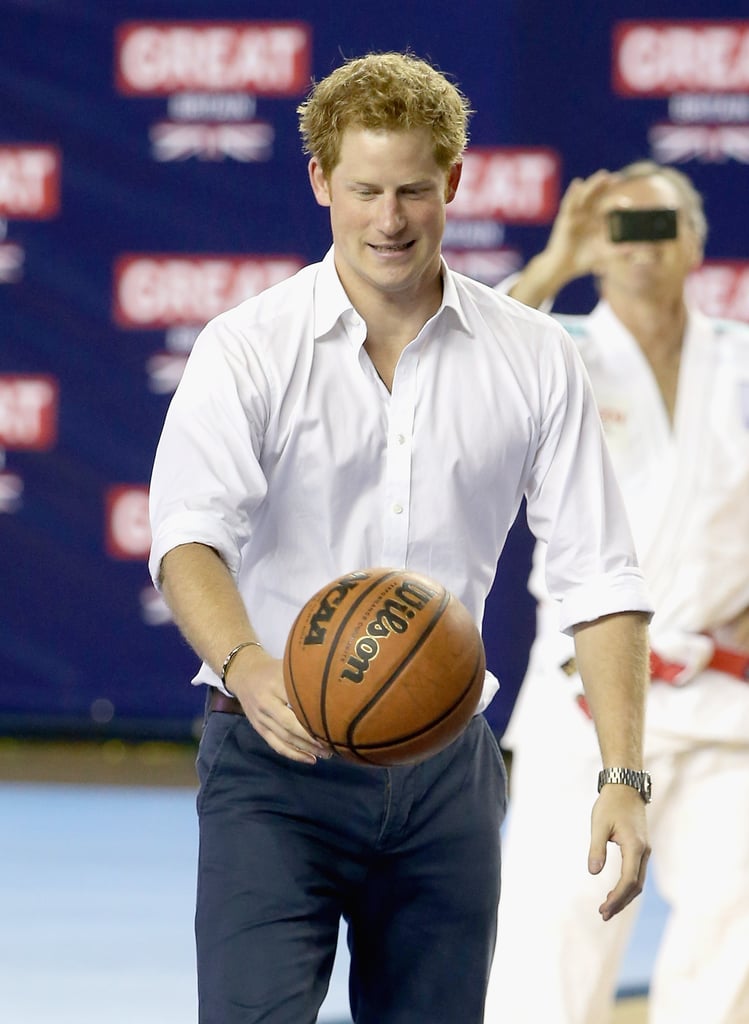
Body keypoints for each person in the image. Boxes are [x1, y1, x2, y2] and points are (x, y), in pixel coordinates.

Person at [148, 53, 653, 1024]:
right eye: (366, 190)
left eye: (414, 190)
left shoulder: (533, 355)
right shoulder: (246, 347)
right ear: (320, 182)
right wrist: (247, 662)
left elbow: (599, 576)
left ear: (453, 183)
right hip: (270, 762)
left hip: (443, 772)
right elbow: (187, 540)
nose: (389, 219)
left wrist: (622, 774)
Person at [485, 162, 749, 1024]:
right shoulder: (558, 349)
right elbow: (462, 366)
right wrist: (557, 258)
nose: (640, 248)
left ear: (696, 243)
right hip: (582, 703)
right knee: (549, 957)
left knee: (734, 932)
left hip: (719, 698)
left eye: (659, 226)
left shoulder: (742, 361)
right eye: (620, 230)